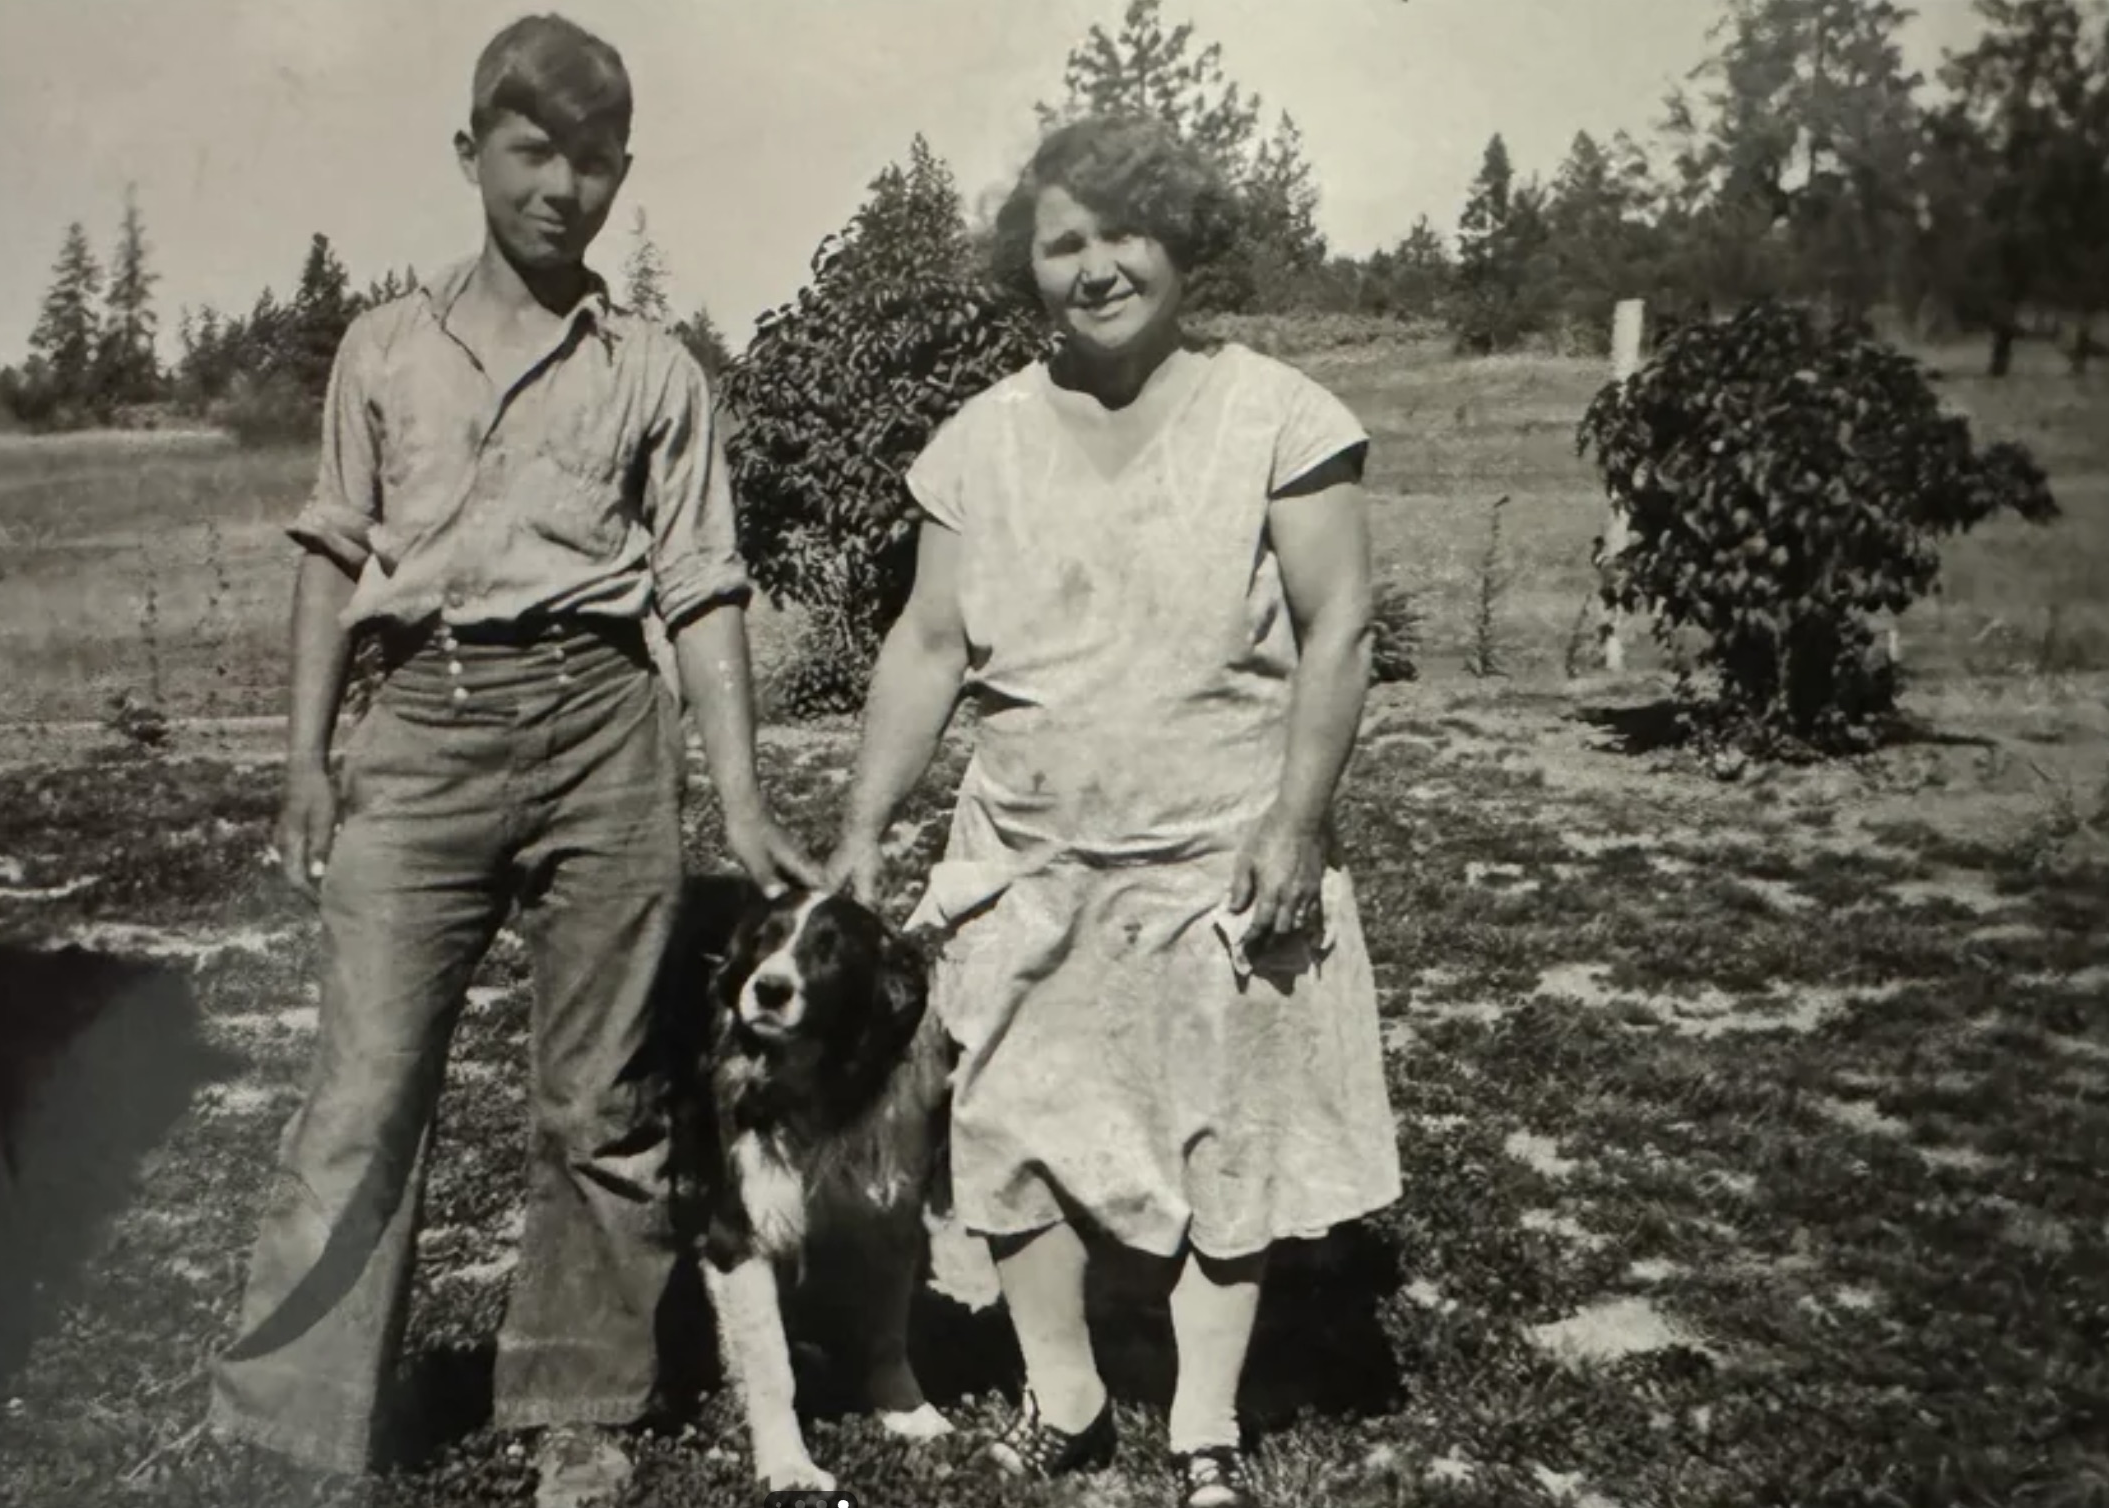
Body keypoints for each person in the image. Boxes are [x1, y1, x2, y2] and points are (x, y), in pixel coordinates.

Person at [204, 14, 816, 1504]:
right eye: (531, 151)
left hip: (606, 728)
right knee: (363, 1089)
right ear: (469, 151)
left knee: (603, 1097)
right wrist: (305, 763)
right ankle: (290, 1420)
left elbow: (702, 586)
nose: (560, 187)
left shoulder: (655, 370)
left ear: (623, 175)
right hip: (420, 727)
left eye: (593, 161)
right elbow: (330, 555)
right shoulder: (385, 349)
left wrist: (739, 798)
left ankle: (581, 1405)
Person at [825, 115, 1403, 1508]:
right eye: (1062, 242)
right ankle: (1067, 1396)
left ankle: (1203, 1421)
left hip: (1219, 851)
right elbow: (927, 645)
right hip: (1027, 851)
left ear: (1179, 241)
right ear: (1027, 267)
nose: (1096, 268)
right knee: (1014, 1128)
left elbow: (1339, 628)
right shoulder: (980, 442)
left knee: (1227, 1137)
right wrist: (862, 829)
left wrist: (1297, 823)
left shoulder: (1280, 416)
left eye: (1123, 233)